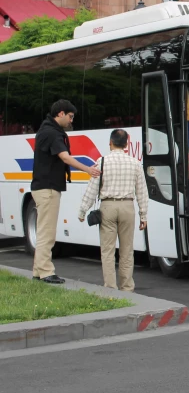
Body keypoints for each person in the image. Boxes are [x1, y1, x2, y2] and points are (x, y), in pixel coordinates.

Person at [31, 100, 101, 284]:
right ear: (60, 114)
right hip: (48, 188)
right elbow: (65, 157)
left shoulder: (46, 129)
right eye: (70, 117)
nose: (71, 121)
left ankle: (39, 271)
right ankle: (46, 272)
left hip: (44, 187)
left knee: (44, 231)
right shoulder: (52, 133)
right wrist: (88, 169)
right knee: (47, 232)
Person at [78, 129, 149, 292]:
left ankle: (110, 287)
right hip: (127, 207)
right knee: (127, 250)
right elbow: (142, 191)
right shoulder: (135, 163)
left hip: (107, 207)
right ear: (126, 144)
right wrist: (143, 215)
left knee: (108, 250)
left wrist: (82, 211)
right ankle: (127, 286)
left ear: (110, 143)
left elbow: (92, 189)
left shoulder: (102, 162)